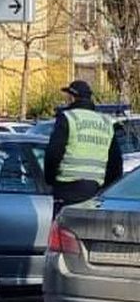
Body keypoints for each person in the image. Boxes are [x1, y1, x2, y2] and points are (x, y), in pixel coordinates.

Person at [44, 80, 122, 218]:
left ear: (72, 97)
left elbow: (53, 154)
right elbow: (116, 163)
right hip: (95, 191)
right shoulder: (106, 122)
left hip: (67, 190)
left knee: (63, 234)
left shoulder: (68, 118)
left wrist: (51, 180)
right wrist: (105, 189)